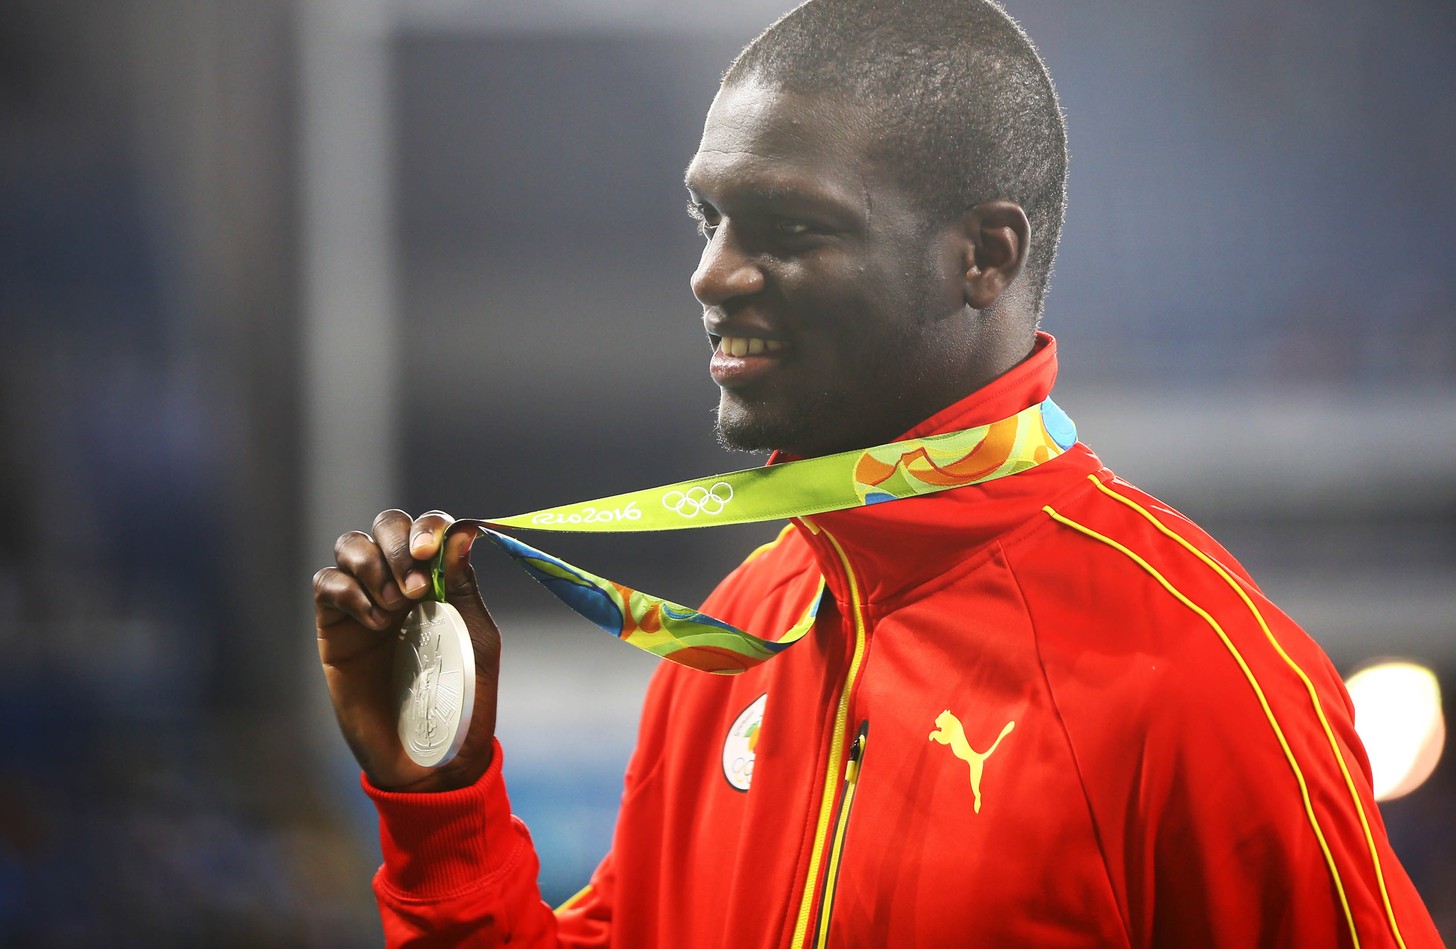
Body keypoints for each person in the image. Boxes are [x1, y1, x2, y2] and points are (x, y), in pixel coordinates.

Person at [312, 0, 1442, 945]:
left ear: (982, 256)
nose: (712, 276)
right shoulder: (736, 634)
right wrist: (437, 796)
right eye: (708, 218)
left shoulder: (1195, 673)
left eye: (790, 228)